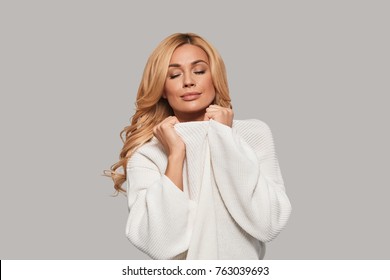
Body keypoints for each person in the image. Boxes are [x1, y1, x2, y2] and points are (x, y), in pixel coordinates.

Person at [106, 33, 292, 260]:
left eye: (199, 71)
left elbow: (268, 222)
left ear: (215, 77)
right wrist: (175, 155)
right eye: (174, 74)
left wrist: (225, 137)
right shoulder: (147, 154)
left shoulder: (252, 134)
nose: (188, 81)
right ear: (162, 88)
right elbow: (160, 244)